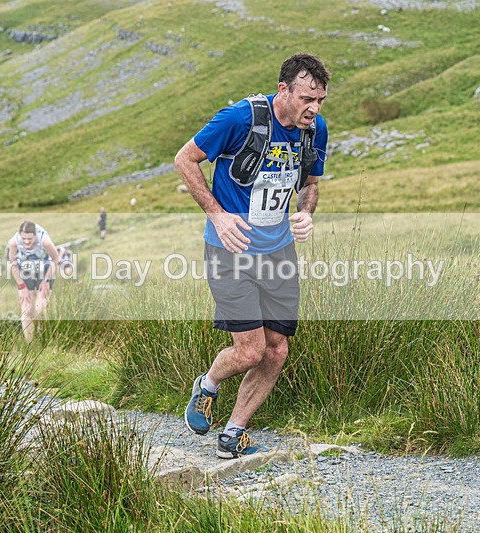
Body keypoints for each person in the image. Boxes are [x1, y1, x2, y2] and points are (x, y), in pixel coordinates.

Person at [174, 53, 329, 459]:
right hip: (231, 249)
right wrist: (218, 215)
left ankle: (234, 433)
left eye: (321, 101)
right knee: (249, 350)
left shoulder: (315, 130)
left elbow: (310, 183)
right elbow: (184, 159)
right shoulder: (239, 118)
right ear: (283, 90)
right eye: (306, 99)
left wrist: (306, 214)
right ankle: (207, 385)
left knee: (277, 349)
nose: (313, 109)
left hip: (278, 252)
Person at [7, 220, 60, 343]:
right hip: (26, 269)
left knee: (39, 309)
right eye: (23, 238)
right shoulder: (13, 242)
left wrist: (46, 280)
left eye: (29, 239)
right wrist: (22, 286)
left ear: (35, 235)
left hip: (46, 268)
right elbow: (13, 264)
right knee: (26, 309)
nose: (26, 242)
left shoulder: (44, 241)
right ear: (19, 235)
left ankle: (43, 340)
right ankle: (30, 345)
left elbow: (56, 259)